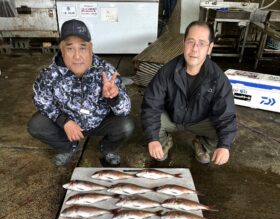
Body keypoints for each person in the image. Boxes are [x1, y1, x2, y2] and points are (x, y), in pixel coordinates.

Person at [28, 19, 134, 166]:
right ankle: (68, 147)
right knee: (36, 125)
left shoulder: (106, 71)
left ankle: (107, 149)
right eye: (70, 48)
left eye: (83, 48)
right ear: (62, 49)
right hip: (68, 125)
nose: (77, 56)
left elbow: (125, 110)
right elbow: (40, 99)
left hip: (99, 122)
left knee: (126, 125)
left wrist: (114, 98)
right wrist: (63, 121)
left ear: (91, 48)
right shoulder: (49, 74)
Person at [141, 21, 237, 165]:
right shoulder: (166, 71)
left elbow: (226, 115)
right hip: (171, 118)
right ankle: (164, 142)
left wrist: (224, 146)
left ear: (210, 48)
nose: (195, 49)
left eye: (202, 43)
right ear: (184, 43)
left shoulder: (218, 78)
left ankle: (202, 144)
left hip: (200, 120)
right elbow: (151, 105)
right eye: (190, 42)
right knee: (151, 127)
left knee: (225, 135)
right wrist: (153, 139)